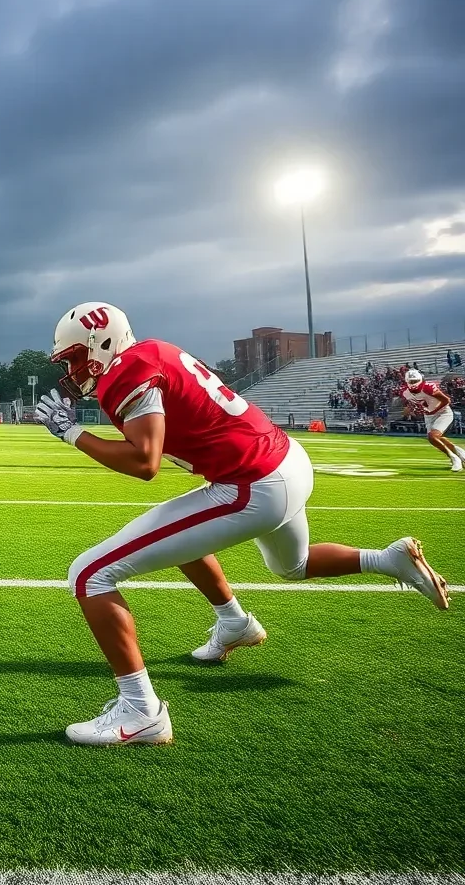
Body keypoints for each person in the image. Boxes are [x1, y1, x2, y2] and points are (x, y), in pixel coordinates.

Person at [35, 302, 449, 747]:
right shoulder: (152, 352)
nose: (73, 368)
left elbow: (144, 462)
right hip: (285, 460)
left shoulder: (127, 372)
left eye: (77, 356)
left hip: (255, 483)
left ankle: (140, 712)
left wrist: (72, 433)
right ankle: (382, 562)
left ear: (103, 342)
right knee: (290, 564)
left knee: (90, 573)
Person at [401, 369, 465, 472]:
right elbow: (411, 404)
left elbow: (446, 400)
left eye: (415, 381)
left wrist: (432, 410)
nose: (413, 383)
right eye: (411, 381)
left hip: (443, 412)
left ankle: (454, 458)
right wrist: (413, 409)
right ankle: (459, 452)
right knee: (436, 439)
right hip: (429, 415)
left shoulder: (428, 387)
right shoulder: (405, 392)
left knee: (432, 436)